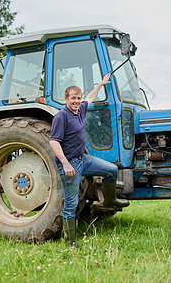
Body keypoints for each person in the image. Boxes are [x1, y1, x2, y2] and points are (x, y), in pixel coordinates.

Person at [49, 73, 129, 248]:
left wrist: (100, 84)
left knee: (111, 170)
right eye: (73, 99)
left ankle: (109, 201)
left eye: (78, 98)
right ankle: (69, 241)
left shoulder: (80, 110)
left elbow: (90, 97)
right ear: (66, 99)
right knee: (71, 204)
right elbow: (53, 141)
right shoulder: (61, 116)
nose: (77, 101)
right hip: (70, 163)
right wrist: (65, 163)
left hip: (83, 159)